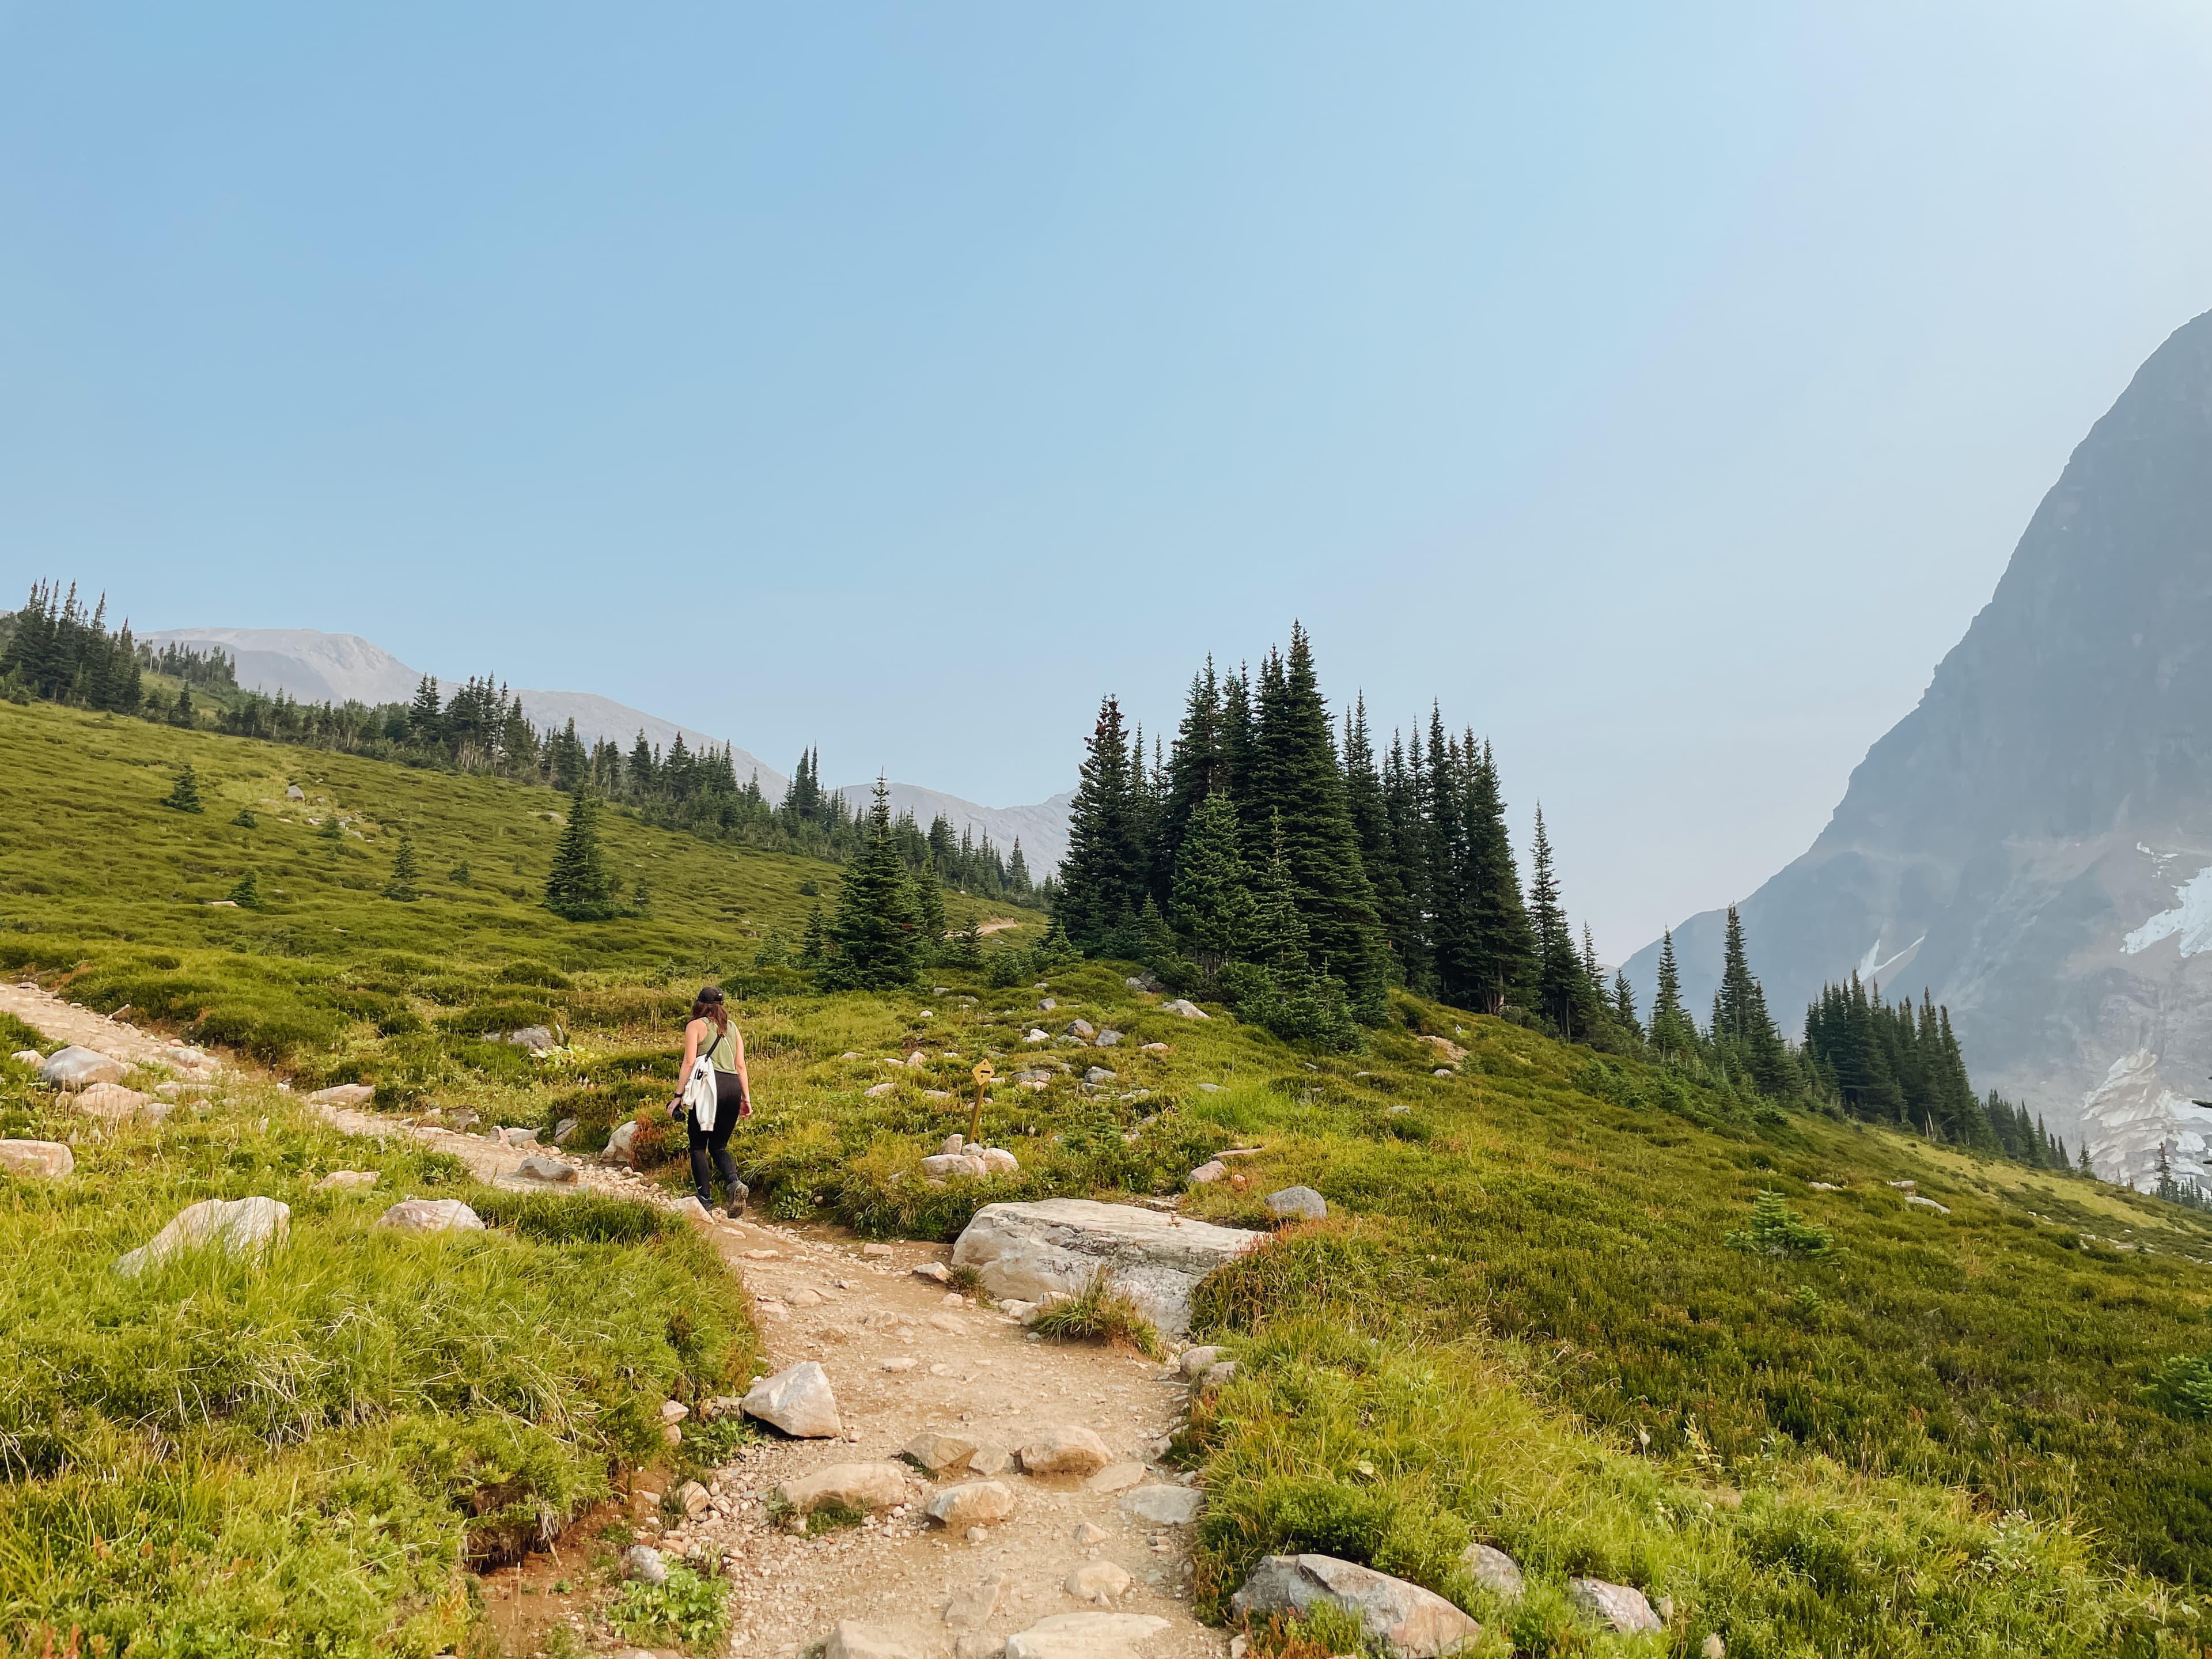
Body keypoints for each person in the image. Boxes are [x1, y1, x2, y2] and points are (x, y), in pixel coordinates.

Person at [673, 984, 751, 1215]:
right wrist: (746, 1098)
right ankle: (734, 1182)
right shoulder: (733, 1027)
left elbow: (689, 1063)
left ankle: (705, 1198)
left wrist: (678, 1097)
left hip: (710, 1087)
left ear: (699, 1005)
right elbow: (740, 1065)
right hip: (733, 1087)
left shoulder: (695, 1026)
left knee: (698, 1145)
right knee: (719, 1146)